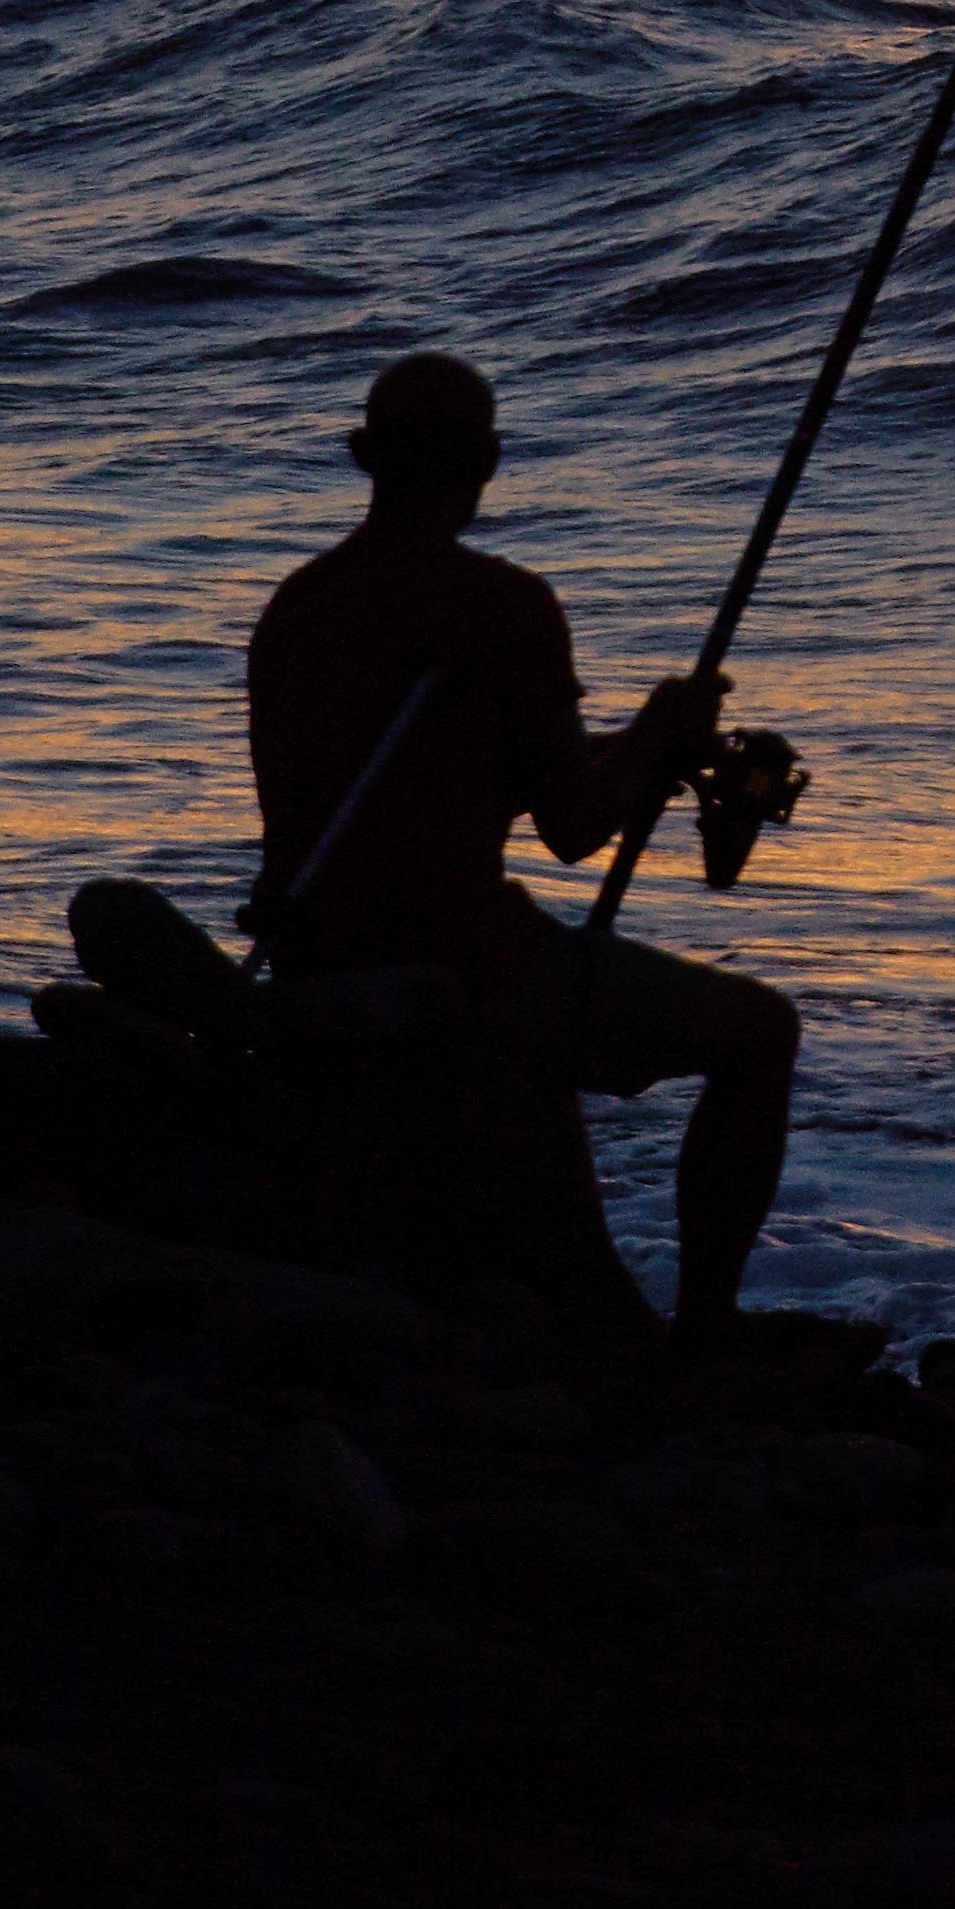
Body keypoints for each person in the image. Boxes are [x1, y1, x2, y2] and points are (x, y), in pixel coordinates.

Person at [246, 348, 801, 1343]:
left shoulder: (297, 607)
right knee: (760, 1032)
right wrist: (658, 730)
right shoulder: (501, 606)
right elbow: (574, 825)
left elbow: (438, 781)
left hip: (317, 951)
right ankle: (707, 1327)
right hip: (466, 963)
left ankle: (581, 1298)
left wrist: (643, 742)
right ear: (490, 461)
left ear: (362, 454)